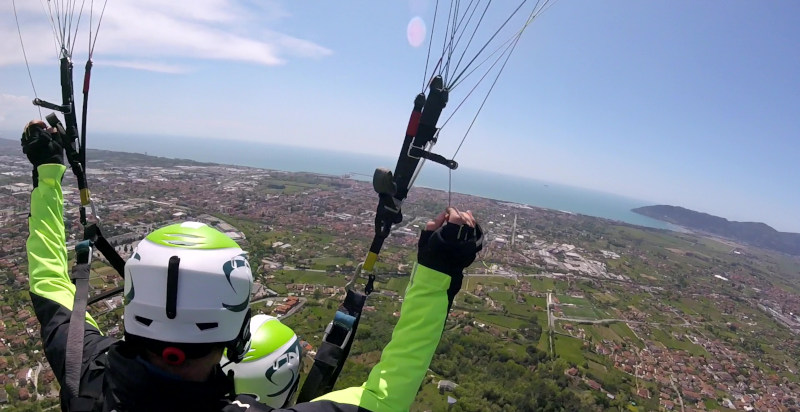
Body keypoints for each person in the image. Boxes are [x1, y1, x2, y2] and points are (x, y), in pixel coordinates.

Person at [22, 120, 483, 412]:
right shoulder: (82, 369)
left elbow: (50, 284)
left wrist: (49, 174)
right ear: (239, 335)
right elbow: (386, 393)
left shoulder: (86, 375)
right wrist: (438, 270)